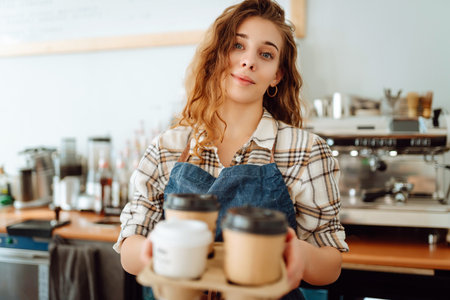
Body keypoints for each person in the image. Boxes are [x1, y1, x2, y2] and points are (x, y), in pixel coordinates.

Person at [114, 0, 348, 298]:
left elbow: (331, 264)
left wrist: (299, 255)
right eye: (238, 46)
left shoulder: (307, 152)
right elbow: (129, 247)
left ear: (277, 74)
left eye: (265, 54)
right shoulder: (167, 148)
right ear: (216, 56)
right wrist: (154, 250)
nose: (249, 61)